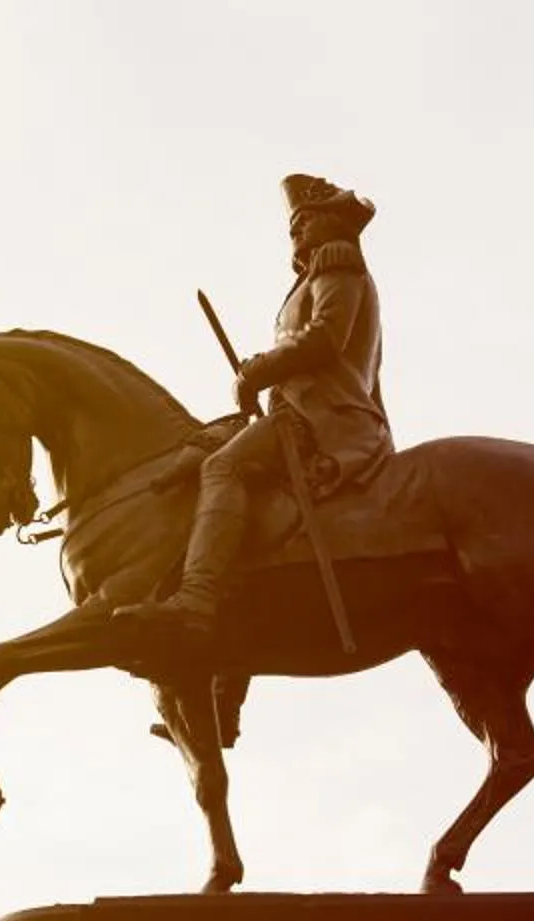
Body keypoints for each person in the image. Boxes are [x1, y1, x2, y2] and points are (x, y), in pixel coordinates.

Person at [122, 173, 392, 639]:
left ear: (330, 222)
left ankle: (197, 597)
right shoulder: (312, 279)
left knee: (224, 468)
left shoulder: (338, 263)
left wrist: (257, 370)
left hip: (326, 419)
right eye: (293, 227)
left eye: (305, 222)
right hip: (306, 412)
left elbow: (325, 339)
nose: (297, 233)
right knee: (209, 443)